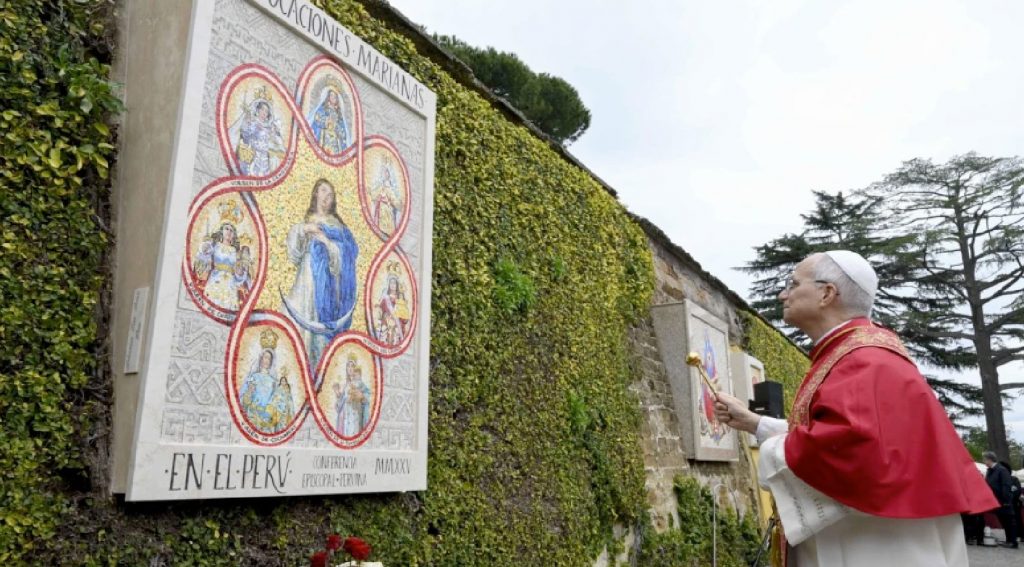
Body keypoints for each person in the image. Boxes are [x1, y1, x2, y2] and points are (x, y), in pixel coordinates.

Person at [713, 250, 997, 566]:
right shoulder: (856, 353)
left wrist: (770, 453)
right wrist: (754, 423)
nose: (783, 294)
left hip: (876, 547)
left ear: (826, 293)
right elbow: (833, 435)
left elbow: (846, 450)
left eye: (793, 284)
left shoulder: (865, 360)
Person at [281, 179, 359, 375]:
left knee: (318, 323)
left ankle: (317, 370)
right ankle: (295, 365)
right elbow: (294, 253)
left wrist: (327, 242)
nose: (327, 196)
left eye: (331, 194)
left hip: (328, 282)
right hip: (307, 275)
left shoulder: (338, 226)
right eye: (324, 191)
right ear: (315, 193)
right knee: (302, 311)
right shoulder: (308, 220)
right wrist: (304, 229)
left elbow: (350, 251)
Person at [985, 453, 1019, 548]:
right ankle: (1008, 540)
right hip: (996, 501)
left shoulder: (1001, 470)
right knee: (1003, 521)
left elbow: (1006, 485)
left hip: (1004, 501)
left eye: (985, 459)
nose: (985, 462)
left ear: (990, 459)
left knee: (1009, 521)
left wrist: (1006, 500)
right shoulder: (990, 471)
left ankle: (1013, 542)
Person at [308, 88, 350, 154]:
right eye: (331, 95)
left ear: (337, 99)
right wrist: (327, 121)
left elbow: (342, 131)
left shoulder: (339, 114)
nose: (333, 98)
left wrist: (336, 127)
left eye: (335, 96)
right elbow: (317, 118)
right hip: (324, 137)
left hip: (335, 141)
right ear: (328, 97)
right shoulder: (323, 108)